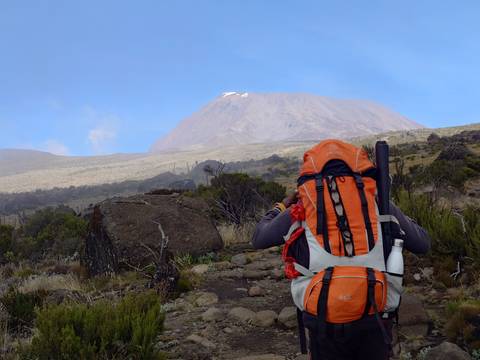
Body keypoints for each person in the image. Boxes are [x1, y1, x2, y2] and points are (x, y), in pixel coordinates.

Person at [251, 141, 431, 360]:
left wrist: (281, 206)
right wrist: (388, 208)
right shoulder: (379, 204)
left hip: (323, 319)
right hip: (373, 315)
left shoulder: (301, 208)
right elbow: (423, 243)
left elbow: (259, 238)